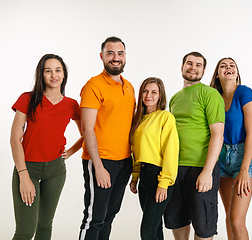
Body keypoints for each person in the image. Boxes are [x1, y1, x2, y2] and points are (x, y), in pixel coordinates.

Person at [10, 54, 83, 240]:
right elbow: (14, 139)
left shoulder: (71, 105)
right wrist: (23, 175)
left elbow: (87, 134)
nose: (53, 75)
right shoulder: (27, 99)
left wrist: (71, 151)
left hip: (56, 170)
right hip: (28, 168)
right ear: (41, 74)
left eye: (58, 70)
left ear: (64, 74)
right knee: (25, 231)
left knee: (44, 226)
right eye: (48, 71)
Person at [79, 36, 135, 240]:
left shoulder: (129, 87)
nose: (115, 57)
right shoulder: (93, 85)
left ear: (125, 56)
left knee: (110, 216)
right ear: (102, 56)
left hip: (124, 162)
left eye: (120, 53)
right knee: (94, 219)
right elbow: (87, 128)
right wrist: (99, 166)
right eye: (110, 53)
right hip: (101, 161)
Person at [164, 52, 225, 240]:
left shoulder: (210, 94)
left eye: (198, 65)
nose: (193, 67)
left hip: (200, 168)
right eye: (189, 63)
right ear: (182, 67)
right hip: (175, 168)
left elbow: (218, 134)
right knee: (177, 219)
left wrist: (207, 171)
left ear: (204, 71)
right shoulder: (174, 98)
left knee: (203, 225)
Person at [209, 57, 252, 240]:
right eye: (223, 66)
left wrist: (244, 169)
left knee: (237, 220)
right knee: (229, 217)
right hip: (220, 157)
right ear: (217, 74)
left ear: (237, 73)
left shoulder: (244, 92)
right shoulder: (214, 97)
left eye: (232, 66)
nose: (228, 68)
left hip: (241, 156)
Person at [129, 77, 179, 240]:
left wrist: (164, 183)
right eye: (145, 91)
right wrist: (135, 177)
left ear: (160, 96)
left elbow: (171, 152)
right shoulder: (138, 120)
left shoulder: (165, 117)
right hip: (144, 177)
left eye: (154, 92)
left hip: (159, 176)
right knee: (154, 227)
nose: (148, 95)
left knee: (147, 230)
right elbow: (136, 151)